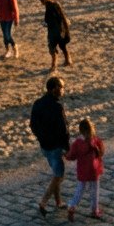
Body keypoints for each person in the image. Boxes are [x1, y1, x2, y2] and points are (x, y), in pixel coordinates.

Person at [30, 76, 70, 215]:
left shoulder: (38, 103)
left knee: (55, 173)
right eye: (61, 87)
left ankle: (58, 202)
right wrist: (67, 147)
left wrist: (41, 138)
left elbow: (33, 125)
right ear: (54, 89)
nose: (63, 90)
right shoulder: (57, 106)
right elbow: (64, 129)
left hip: (44, 146)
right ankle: (44, 202)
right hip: (55, 146)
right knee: (59, 176)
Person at [64, 117, 105, 222]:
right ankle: (94, 210)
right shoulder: (96, 141)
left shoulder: (77, 143)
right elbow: (101, 152)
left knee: (80, 189)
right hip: (94, 170)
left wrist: (65, 155)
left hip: (82, 170)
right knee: (94, 191)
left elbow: (71, 156)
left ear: (80, 131)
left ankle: (72, 206)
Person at [39, 0, 71, 70]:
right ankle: (67, 60)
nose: (41, 3)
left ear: (44, 0)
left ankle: (54, 65)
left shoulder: (51, 6)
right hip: (59, 29)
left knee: (52, 47)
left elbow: (54, 19)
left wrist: (46, 23)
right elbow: (62, 17)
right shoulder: (54, 4)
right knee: (62, 45)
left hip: (55, 31)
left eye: (41, 1)